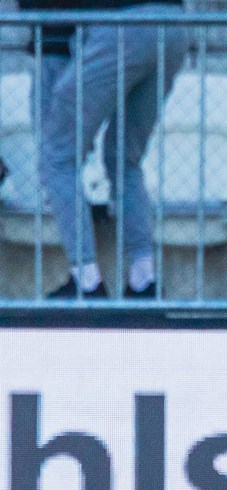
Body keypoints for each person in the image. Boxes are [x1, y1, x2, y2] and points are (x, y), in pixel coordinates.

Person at [19, 0, 187, 300]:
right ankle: (144, 280)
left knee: (57, 157)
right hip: (172, 24)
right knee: (124, 158)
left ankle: (86, 282)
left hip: (113, 25)